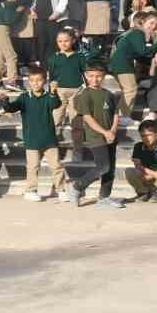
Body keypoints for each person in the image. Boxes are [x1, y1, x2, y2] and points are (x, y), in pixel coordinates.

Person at [65, 64, 124, 209]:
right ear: (86, 76)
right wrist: (105, 132)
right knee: (103, 167)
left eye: (98, 76)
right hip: (96, 136)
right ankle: (77, 187)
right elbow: (87, 118)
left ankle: (104, 198)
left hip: (111, 136)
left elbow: (116, 113)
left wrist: (113, 130)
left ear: (104, 76)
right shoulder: (84, 95)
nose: (95, 79)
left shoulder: (109, 94)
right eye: (91, 76)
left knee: (110, 170)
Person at [5, 68, 65, 202]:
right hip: (31, 139)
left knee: (56, 166)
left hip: (49, 139)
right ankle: (30, 191)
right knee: (33, 167)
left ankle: (61, 190)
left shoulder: (49, 96)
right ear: (28, 82)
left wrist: (54, 91)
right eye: (32, 81)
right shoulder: (24, 97)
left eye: (39, 80)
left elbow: (56, 104)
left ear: (44, 81)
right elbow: (12, 107)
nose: (35, 83)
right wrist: (5, 101)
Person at [107, 12, 157, 123]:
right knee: (131, 89)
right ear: (142, 22)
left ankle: (119, 117)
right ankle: (123, 117)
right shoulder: (138, 33)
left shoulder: (132, 33)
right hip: (123, 64)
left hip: (118, 64)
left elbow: (137, 54)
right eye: (151, 23)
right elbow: (143, 51)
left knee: (128, 90)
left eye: (156, 25)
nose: (154, 26)